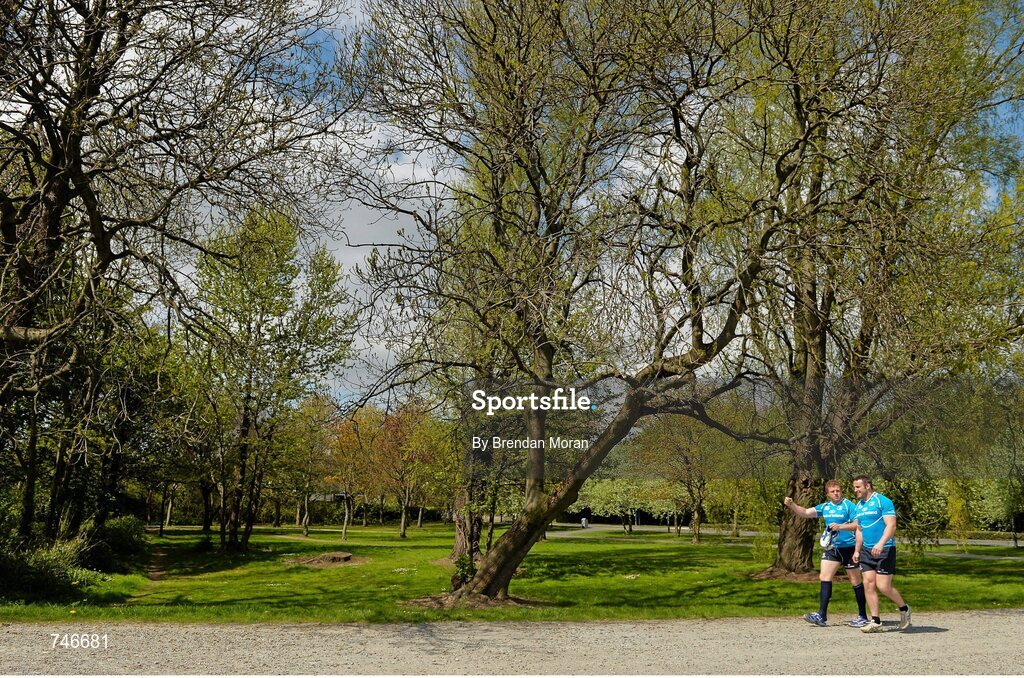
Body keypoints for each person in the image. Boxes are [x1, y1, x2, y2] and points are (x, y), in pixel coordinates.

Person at [784, 480, 869, 628]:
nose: (836, 493)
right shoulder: (825, 507)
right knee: (824, 577)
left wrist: (841, 526)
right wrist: (791, 505)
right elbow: (805, 513)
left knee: (856, 581)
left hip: (849, 548)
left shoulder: (849, 505)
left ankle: (862, 616)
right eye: (833, 491)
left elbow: (857, 525)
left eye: (838, 490)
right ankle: (821, 615)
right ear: (828, 493)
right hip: (832, 549)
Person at [849, 474, 911, 633]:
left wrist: (881, 543)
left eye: (858, 487)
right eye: (854, 487)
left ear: (867, 486)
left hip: (885, 549)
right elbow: (860, 530)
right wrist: (857, 550)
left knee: (883, 586)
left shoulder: (882, 501)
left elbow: (891, 525)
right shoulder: (859, 506)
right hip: (866, 551)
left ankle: (904, 609)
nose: (855, 490)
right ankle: (875, 621)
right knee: (868, 583)